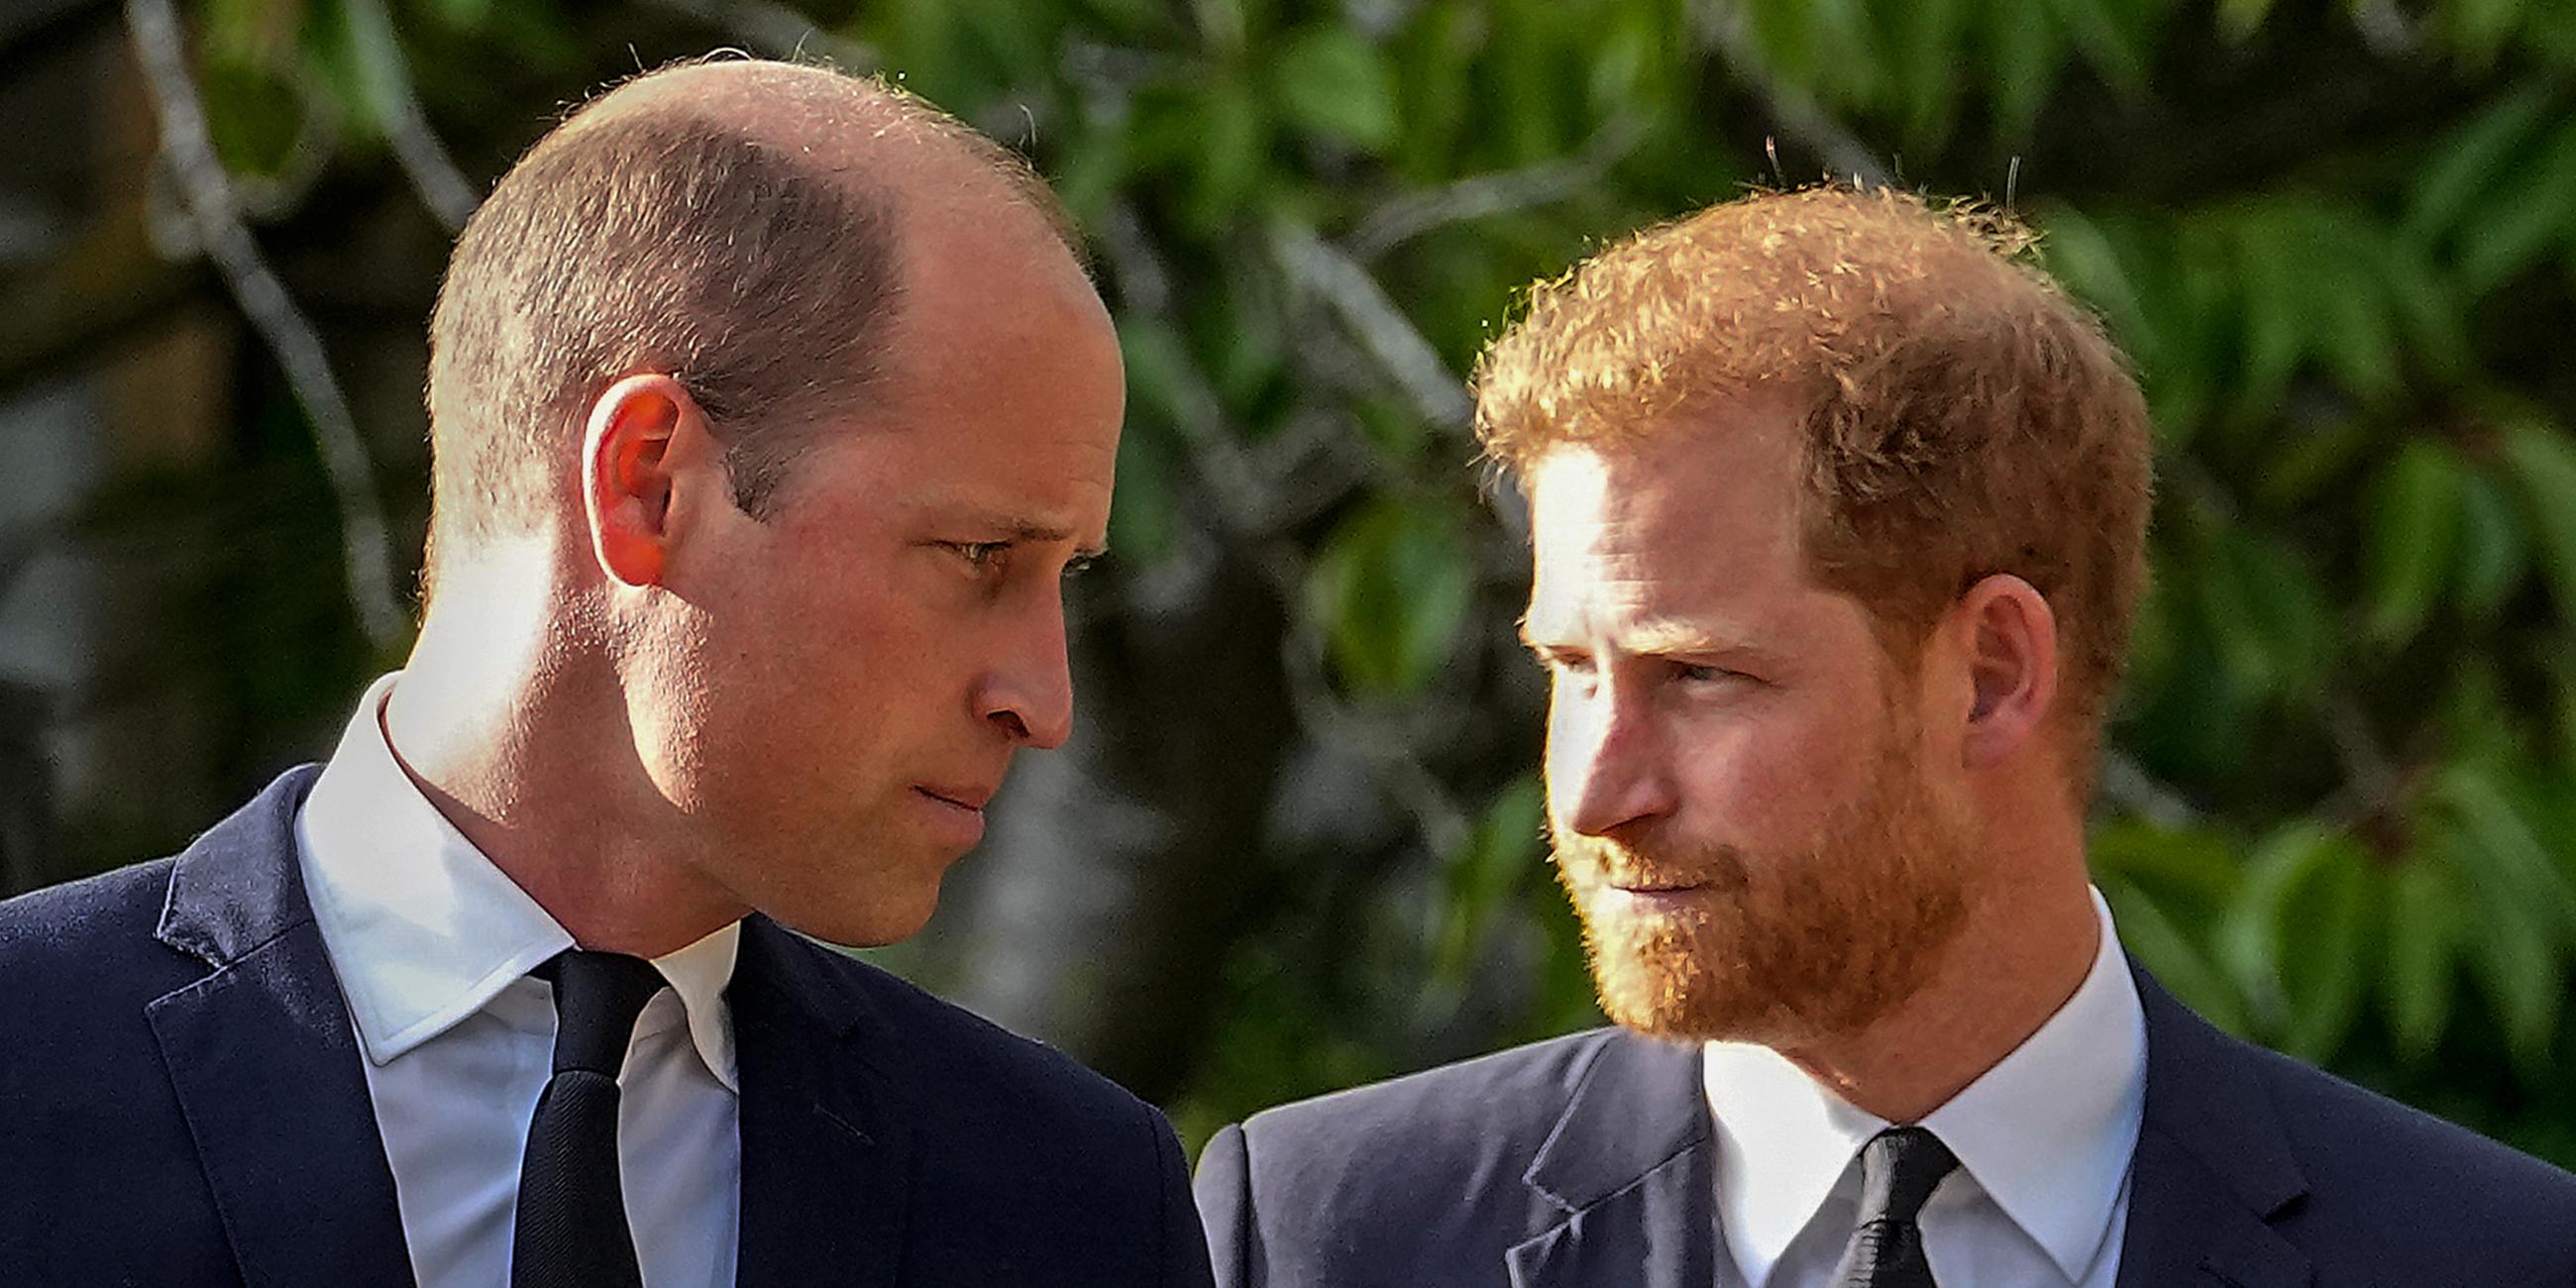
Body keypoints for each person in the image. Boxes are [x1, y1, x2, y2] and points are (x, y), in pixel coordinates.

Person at [1193, 186, 2576, 1287]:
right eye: (1569, 668)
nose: (1596, 791)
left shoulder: (2489, 1259)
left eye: (1700, 677)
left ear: (1989, 673)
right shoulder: (1328, 1235)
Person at [0, 57, 1212, 1288]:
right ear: (646, 480)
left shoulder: (1072, 1198)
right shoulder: (25, 1069)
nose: (1041, 702)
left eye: (1066, 576)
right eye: (979, 554)